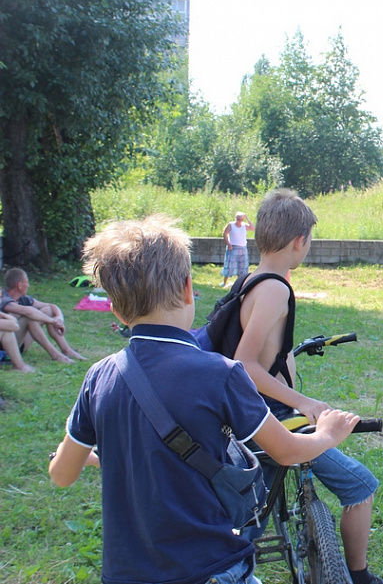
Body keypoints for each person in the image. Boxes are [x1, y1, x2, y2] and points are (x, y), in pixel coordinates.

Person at [48, 215, 361, 584]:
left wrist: (97, 459)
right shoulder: (221, 373)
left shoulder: (98, 377)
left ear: (115, 309)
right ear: (187, 288)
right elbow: (288, 451)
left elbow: (62, 474)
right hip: (210, 569)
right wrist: (328, 432)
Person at [232, 189, 383, 584]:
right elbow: (243, 365)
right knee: (361, 485)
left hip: (250, 418)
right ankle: (358, 576)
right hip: (269, 421)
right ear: (300, 241)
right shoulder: (274, 289)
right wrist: (304, 401)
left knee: (251, 517)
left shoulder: (250, 280)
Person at [1, 267, 85, 363]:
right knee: (29, 319)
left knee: (48, 310)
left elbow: (52, 306)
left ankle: (67, 350)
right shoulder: (4, 299)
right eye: (27, 282)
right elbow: (27, 311)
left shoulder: (23, 298)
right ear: (19, 285)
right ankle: (55, 355)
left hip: (19, 341)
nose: (28, 286)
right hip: (5, 346)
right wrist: (53, 321)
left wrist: (59, 318)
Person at [221, 211, 255, 288]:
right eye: (238, 219)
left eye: (241, 219)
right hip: (233, 247)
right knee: (230, 265)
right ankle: (224, 282)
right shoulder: (231, 225)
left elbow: (253, 228)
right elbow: (225, 234)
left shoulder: (244, 225)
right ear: (235, 218)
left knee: (242, 266)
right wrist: (228, 244)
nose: (239, 221)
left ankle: (241, 282)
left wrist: (247, 218)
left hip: (242, 248)